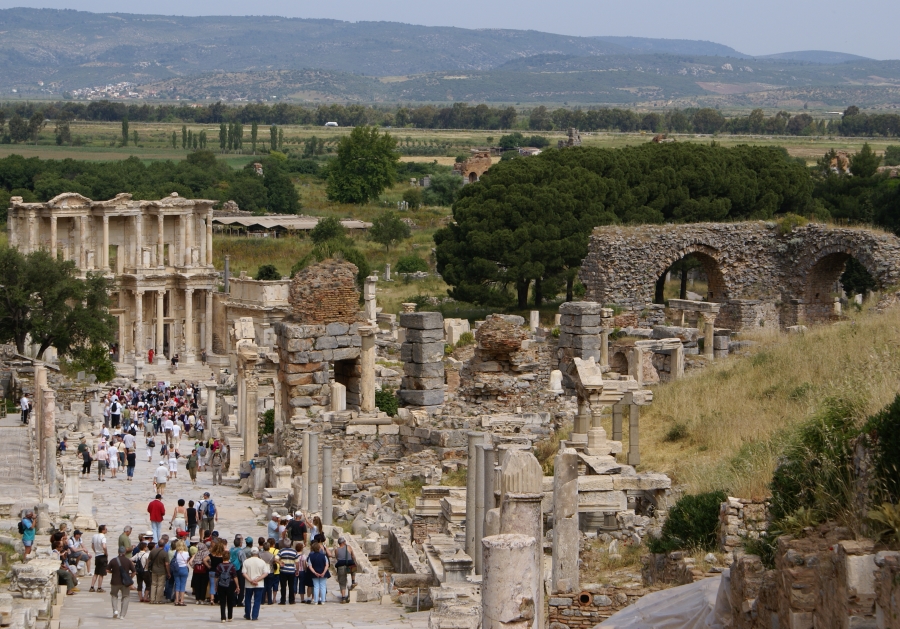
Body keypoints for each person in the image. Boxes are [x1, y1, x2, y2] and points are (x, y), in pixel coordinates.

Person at [108, 546, 135, 618]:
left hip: (114, 581)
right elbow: (134, 571)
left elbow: (107, 570)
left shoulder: (113, 560)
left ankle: (115, 610)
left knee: (114, 596)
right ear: (125, 552)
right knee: (125, 597)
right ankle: (122, 615)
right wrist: (130, 577)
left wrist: (113, 572)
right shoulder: (128, 561)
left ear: (118, 552)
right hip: (125, 583)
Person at [241, 547, 268, 621]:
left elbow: (244, 573)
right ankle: (254, 616)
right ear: (258, 553)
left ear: (251, 553)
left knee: (247, 599)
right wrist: (257, 580)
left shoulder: (246, 561)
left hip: (249, 584)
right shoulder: (262, 562)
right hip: (259, 584)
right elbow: (265, 573)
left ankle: (247, 614)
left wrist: (251, 580)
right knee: (257, 600)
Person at [216, 549, 240, 621]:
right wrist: (237, 586)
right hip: (230, 584)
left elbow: (216, 576)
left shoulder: (219, 566)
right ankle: (229, 617)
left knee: (222, 601)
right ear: (229, 557)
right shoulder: (232, 566)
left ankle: (223, 618)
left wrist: (215, 585)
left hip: (221, 585)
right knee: (230, 601)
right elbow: (235, 576)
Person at [148, 535, 170, 604]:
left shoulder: (153, 551)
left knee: (153, 584)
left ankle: (152, 599)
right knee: (160, 585)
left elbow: (148, 560)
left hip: (154, 570)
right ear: (164, 545)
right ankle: (158, 599)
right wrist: (168, 572)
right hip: (162, 571)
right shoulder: (165, 553)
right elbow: (166, 564)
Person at [334, 537, 356, 604]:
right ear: (344, 542)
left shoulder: (336, 550)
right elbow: (353, 556)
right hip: (349, 565)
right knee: (354, 568)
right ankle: (353, 581)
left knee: (342, 582)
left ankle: (343, 598)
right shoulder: (348, 547)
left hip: (341, 567)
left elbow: (337, 558)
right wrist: (354, 562)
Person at [307, 541, 329, 605]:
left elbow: (310, 566)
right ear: (319, 548)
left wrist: (315, 572)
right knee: (323, 586)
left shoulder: (310, 556)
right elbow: (327, 565)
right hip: (323, 573)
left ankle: (315, 600)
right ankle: (323, 600)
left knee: (316, 586)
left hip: (314, 574)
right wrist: (323, 572)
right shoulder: (323, 556)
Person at [90, 524, 109, 592]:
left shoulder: (94, 536)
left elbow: (92, 546)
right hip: (102, 556)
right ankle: (99, 587)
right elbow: (104, 546)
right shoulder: (103, 537)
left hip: (97, 556)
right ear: (103, 530)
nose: (106, 530)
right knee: (101, 573)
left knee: (96, 572)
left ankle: (92, 586)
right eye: (106, 529)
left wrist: (96, 552)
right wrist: (106, 552)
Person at [172, 539, 191, 606]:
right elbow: (187, 560)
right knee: (182, 586)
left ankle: (176, 600)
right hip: (184, 568)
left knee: (177, 585)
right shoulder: (186, 553)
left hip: (177, 569)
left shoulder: (176, 552)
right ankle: (182, 600)